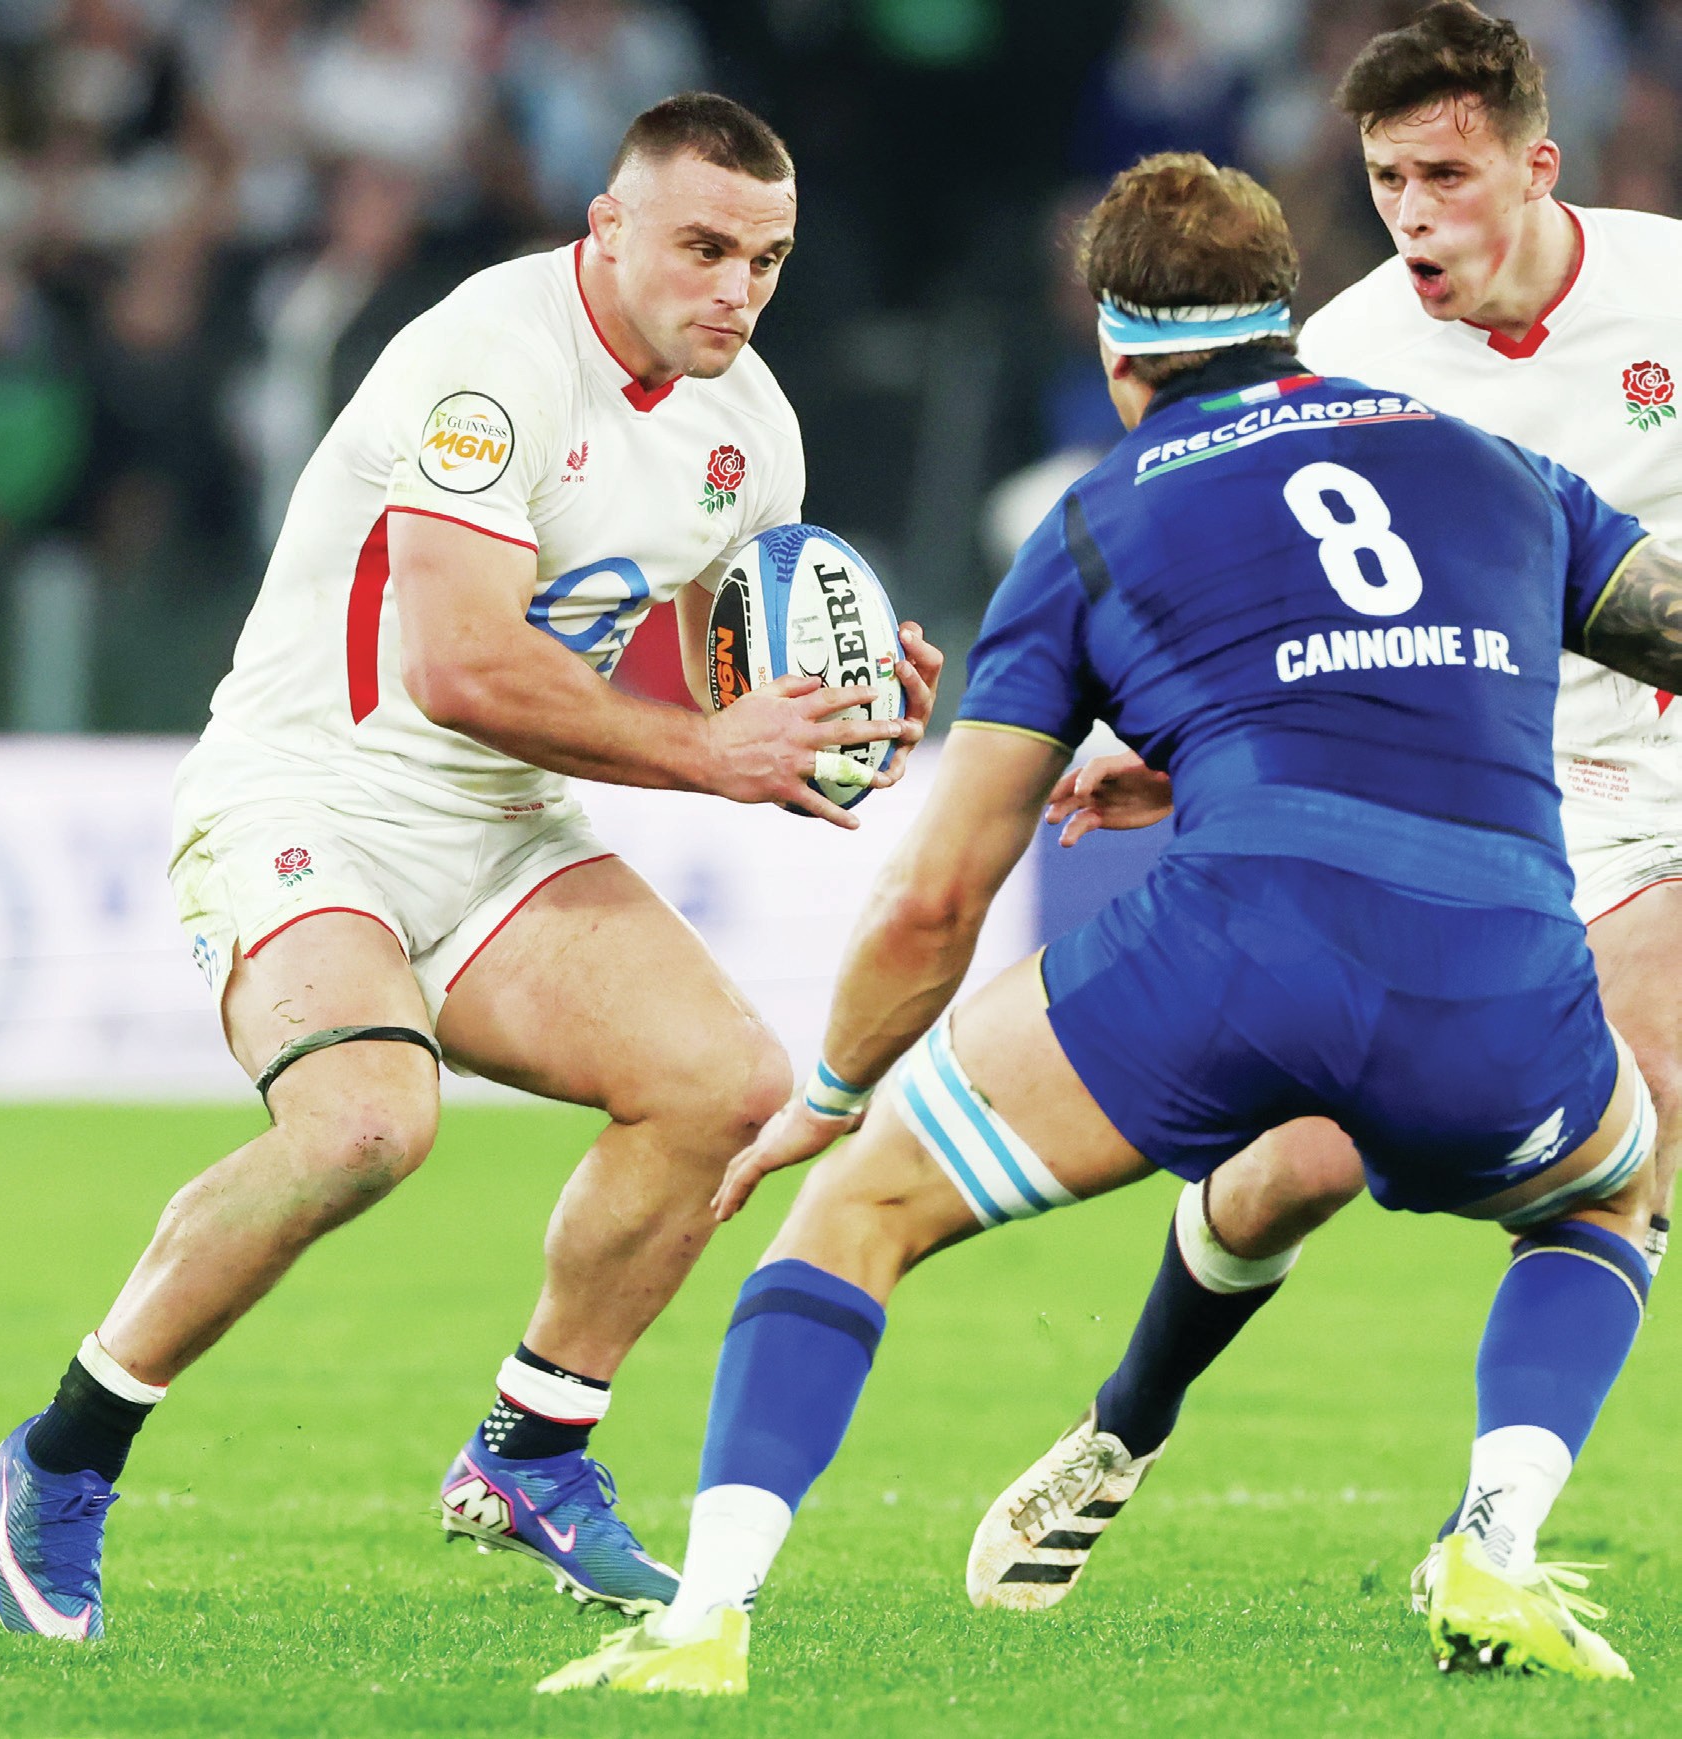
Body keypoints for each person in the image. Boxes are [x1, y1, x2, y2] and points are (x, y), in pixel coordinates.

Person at [535, 149, 1679, 1697]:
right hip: (1494, 965)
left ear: (1115, 347)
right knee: (1610, 1193)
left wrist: (834, 1092)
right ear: (1285, 313)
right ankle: (1495, 1540)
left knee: (859, 1214)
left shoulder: (1093, 522)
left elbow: (940, 893)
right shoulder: (1495, 467)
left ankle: (705, 1623)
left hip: (1240, 951)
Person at [0, 91, 941, 1642]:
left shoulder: (750, 426)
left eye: (765, 260)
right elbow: (457, 665)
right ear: (608, 228)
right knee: (366, 1124)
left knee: (722, 1084)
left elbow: (715, 658)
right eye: (703, 248)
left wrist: (840, 706)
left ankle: (531, 1453)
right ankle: (65, 1455)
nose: (737, 290)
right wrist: (715, 756)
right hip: (311, 792)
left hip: (501, 831)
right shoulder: (490, 361)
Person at [1008, 0, 1682, 1619]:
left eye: (1447, 175)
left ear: (1538, 165)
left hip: (1663, 781)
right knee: (1294, 1165)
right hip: (1473, 788)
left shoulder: (1671, 288)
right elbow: (1306, 619)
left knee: (1640, 1117)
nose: (1413, 214)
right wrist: (1179, 757)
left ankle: (1490, 1540)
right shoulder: (1354, 359)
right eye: (1386, 180)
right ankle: (1125, 1422)